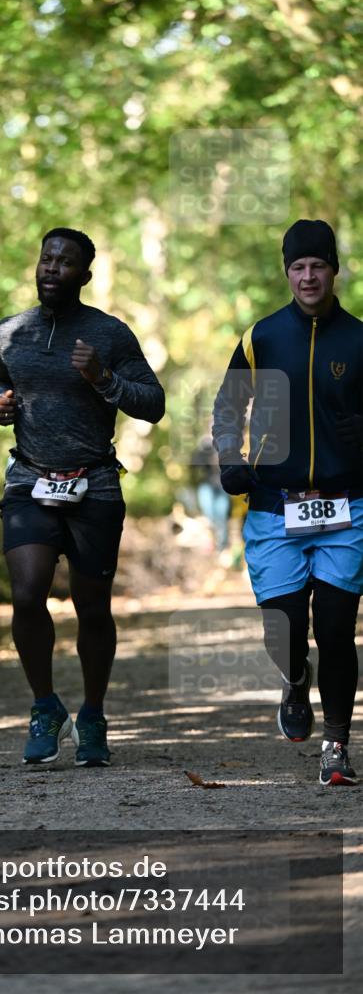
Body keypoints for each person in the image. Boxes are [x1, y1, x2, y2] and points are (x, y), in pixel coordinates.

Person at [0, 228, 164, 766]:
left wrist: (104, 377)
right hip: (29, 480)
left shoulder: (109, 334)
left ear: (85, 275)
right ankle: (44, 706)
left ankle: (93, 715)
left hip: (96, 486)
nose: (52, 268)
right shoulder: (10, 332)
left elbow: (152, 403)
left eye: (65, 263)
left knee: (92, 608)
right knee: (27, 593)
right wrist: (1, 403)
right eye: (46, 258)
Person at [213, 219, 362, 786]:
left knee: (336, 625)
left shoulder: (359, 339)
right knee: (284, 624)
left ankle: (336, 745)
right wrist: (230, 460)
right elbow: (228, 409)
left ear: (334, 270)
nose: (307, 276)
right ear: (287, 272)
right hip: (275, 504)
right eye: (297, 267)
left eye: (317, 266)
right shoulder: (262, 337)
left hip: (347, 505)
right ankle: (295, 680)